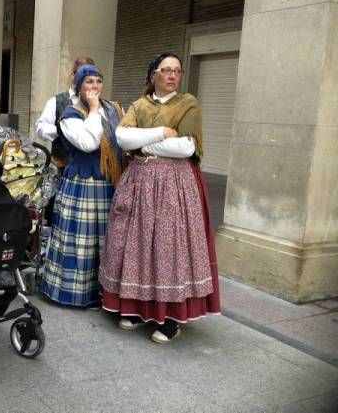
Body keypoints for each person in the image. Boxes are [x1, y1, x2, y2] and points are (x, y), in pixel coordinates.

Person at [98, 52, 221, 343]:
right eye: (166, 70)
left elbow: (186, 148)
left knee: (168, 247)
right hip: (139, 184)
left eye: (177, 70)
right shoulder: (140, 104)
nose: (172, 75)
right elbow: (122, 138)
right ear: (154, 75)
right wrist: (162, 133)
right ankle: (134, 308)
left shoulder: (188, 103)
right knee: (134, 243)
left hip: (174, 186)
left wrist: (146, 145)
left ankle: (170, 318)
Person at [40, 64, 124, 308]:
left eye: (98, 81)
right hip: (82, 185)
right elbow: (88, 143)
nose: (94, 86)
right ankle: (76, 294)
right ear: (78, 86)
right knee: (82, 243)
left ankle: (104, 293)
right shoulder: (70, 114)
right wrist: (96, 109)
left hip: (107, 182)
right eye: (88, 82)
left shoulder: (114, 109)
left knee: (103, 240)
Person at [35, 57, 95, 225]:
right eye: (82, 75)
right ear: (73, 75)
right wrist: (62, 132)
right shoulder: (57, 101)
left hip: (89, 170)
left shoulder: (97, 104)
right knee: (58, 215)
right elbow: (40, 127)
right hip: (62, 167)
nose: (87, 81)